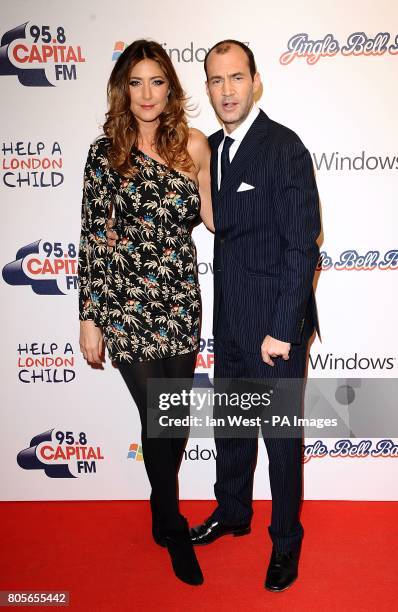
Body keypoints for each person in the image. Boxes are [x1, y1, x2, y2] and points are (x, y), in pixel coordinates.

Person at [78, 39, 213, 586]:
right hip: (126, 302)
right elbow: (91, 238)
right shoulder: (104, 152)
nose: (147, 93)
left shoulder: (195, 148)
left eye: (157, 81)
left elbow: (215, 219)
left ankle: (161, 512)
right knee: (159, 418)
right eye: (136, 82)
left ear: (171, 88)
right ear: (122, 89)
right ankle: (174, 525)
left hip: (179, 299)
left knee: (173, 418)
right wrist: (89, 317)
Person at [187, 40, 321, 592]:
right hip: (230, 320)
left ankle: (286, 543)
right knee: (232, 430)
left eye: (235, 78)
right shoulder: (211, 149)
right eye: (216, 80)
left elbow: (302, 246)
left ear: (255, 81)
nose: (226, 91)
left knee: (282, 443)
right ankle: (233, 512)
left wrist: (282, 329)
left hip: (274, 328)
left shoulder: (283, 147)